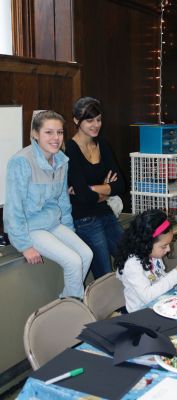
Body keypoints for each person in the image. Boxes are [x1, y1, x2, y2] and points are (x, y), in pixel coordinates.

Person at [3, 110, 93, 300]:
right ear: (35, 134)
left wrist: (69, 231)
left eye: (59, 132)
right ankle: (75, 308)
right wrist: (24, 245)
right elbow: (14, 208)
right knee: (73, 261)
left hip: (53, 222)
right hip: (31, 227)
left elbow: (62, 201)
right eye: (49, 132)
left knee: (86, 254)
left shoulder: (61, 160)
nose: (56, 138)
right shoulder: (21, 162)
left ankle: (66, 301)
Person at [65, 97, 125, 279]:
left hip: (105, 212)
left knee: (131, 257)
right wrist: (106, 189)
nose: (96, 125)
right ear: (76, 120)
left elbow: (121, 185)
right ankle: (111, 307)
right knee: (105, 273)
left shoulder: (103, 144)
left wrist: (91, 188)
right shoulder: (70, 149)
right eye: (89, 120)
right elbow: (83, 198)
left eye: (98, 119)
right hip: (83, 219)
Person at [114, 209, 177, 313]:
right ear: (147, 244)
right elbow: (147, 297)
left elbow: (159, 278)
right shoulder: (132, 264)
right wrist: (176, 275)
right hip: (141, 313)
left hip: (159, 305)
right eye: (164, 246)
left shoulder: (152, 254)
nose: (168, 249)